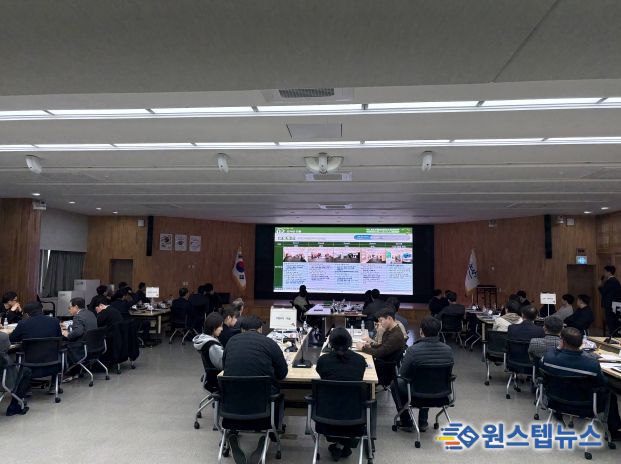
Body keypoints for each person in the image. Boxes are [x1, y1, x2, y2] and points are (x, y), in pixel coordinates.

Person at [222, 315, 288, 464]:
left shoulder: (231, 342)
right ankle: (272, 433)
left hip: (232, 409)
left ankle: (232, 435)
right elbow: (282, 373)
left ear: (242, 330)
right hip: (263, 410)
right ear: (260, 329)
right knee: (280, 395)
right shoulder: (269, 343)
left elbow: (225, 367)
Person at [541, 327, 621, 438]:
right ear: (582, 343)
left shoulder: (549, 358)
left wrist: (559, 348)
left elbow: (544, 376)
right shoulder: (591, 364)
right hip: (585, 406)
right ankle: (614, 430)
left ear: (562, 341)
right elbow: (602, 383)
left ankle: (558, 416)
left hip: (554, 401)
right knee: (610, 394)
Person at [391, 317, 453, 432]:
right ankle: (423, 421)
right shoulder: (448, 350)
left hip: (417, 395)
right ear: (438, 331)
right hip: (441, 395)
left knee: (395, 384)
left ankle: (406, 421)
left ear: (421, 331)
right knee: (431, 379)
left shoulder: (413, 351)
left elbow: (403, 373)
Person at [316, 328, 367, 461]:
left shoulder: (323, 361)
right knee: (347, 400)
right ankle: (342, 444)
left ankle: (339, 445)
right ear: (350, 343)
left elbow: (322, 374)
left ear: (330, 343)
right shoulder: (360, 361)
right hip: (354, 419)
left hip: (324, 419)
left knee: (337, 400)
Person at [63, 297, 98, 382]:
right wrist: (71, 327)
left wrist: (67, 334)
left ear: (76, 307)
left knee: (63, 345)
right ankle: (76, 372)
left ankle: (68, 374)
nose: (69, 309)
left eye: (70, 307)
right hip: (94, 345)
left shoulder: (78, 316)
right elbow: (83, 326)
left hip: (83, 347)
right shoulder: (90, 313)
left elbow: (78, 332)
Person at [0, 331, 31, 416]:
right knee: (27, 371)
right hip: (4, 378)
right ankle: (13, 405)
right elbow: (7, 348)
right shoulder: (3, 337)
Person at [599, 265, 621, 336]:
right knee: (613, 323)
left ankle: (613, 336)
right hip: (614, 305)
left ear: (609, 272)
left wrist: (600, 286)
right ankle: (614, 335)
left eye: (605, 271)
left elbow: (604, 292)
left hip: (610, 305)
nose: (604, 273)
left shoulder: (610, 281)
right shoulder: (615, 281)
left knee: (611, 322)